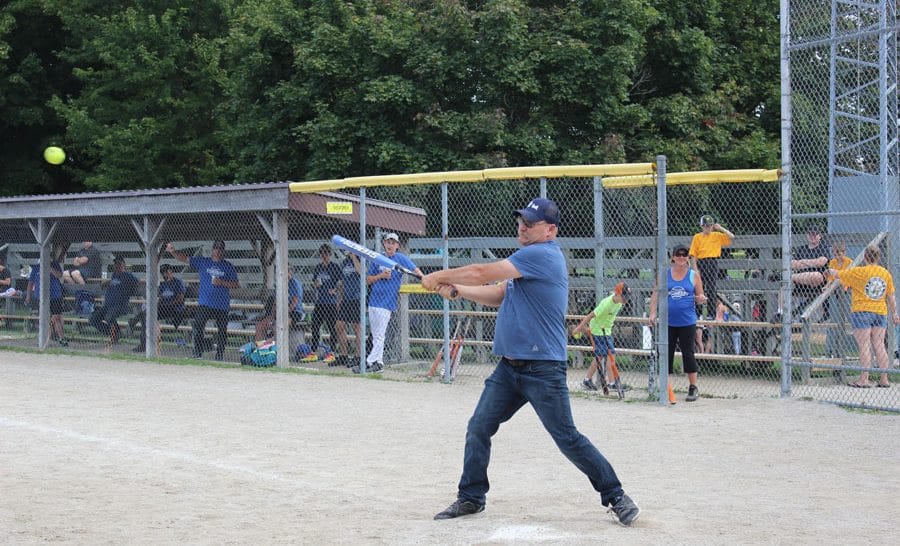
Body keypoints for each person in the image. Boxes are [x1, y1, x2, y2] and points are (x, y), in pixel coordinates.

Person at [421, 197, 640, 526]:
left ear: (550, 230)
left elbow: (481, 272)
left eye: (531, 223)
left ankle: (616, 495)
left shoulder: (542, 255)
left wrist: (438, 275)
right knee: (479, 427)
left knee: (567, 438)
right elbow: (499, 293)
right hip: (509, 369)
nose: (522, 227)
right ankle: (471, 497)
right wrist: (458, 290)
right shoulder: (525, 260)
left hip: (542, 369)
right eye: (521, 221)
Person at [829, 245, 900, 388]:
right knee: (879, 345)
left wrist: (828, 270)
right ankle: (884, 379)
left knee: (864, 345)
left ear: (865, 257)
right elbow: (891, 296)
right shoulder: (885, 273)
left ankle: (864, 379)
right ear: (878, 257)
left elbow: (838, 274)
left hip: (862, 311)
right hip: (880, 312)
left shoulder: (859, 272)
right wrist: (894, 313)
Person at [648, 243, 708, 404]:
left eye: (684, 255)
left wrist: (701, 299)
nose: (681, 257)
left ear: (688, 258)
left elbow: (700, 296)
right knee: (666, 353)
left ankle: (693, 387)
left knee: (688, 353)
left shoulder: (693, 275)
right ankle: (666, 388)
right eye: (678, 255)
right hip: (668, 321)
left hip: (687, 320)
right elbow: (655, 294)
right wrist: (652, 312)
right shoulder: (665, 274)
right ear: (673, 257)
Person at [359, 233, 422, 374]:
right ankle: (379, 363)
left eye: (393, 243)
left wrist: (424, 278)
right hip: (374, 302)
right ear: (384, 243)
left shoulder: (400, 259)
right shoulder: (378, 258)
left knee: (380, 335)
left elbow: (414, 269)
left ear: (397, 246)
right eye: (388, 242)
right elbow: (368, 280)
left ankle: (368, 362)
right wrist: (381, 276)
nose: (390, 245)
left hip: (386, 303)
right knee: (376, 336)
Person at [166, 240, 239, 361]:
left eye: (220, 248)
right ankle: (197, 352)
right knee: (198, 325)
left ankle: (219, 354)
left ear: (223, 251)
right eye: (216, 247)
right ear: (212, 249)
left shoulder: (228, 266)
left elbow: (236, 284)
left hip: (221, 304)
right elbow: (185, 258)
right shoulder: (204, 262)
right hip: (205, 303)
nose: (218, 250)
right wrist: (173, 252)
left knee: (222, 330)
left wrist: (221, 282)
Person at [573, 281, 631, 394]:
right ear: (616, 293)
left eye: (627, 297)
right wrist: (579, 328)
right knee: (608, 355)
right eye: (624, 296)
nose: (625, 299)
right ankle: (611, 383)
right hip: (598, 330)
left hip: (606, 330)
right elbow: (590, 316)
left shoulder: (619, 303)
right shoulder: (606, 304)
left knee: (602, 356)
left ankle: (588, 380)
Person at [776, 225, 831, 318]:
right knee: (785, 283)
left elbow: (821, 262)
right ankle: (780, 312)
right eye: (810, 234)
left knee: (816, 275)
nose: (812, 236)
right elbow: (792, 264)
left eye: (815, 234)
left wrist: (802, 262)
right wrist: (811, 263)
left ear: (820, 236)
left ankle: (788, 277)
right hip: (800, 282)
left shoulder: (823, 248)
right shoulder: (801, 249)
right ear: (807, 235)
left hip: (817, 283)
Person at [131, 263, 186, 352]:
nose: (164, 274)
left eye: (166, 272)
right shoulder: (163, 284)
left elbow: (180, 299)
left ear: (171, 272)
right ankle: (143, 344)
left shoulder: (178, 282)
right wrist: (155, 306)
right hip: (163, 309)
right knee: (146, 315)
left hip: (175, 309)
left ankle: (133, 322)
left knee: (147, 314)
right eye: (163, 273)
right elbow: (160, 299)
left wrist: (167, 304)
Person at [89, 255, 140, 348]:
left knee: (108, 318)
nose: (117, 265)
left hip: (119, 306)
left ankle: (114, 335)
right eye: (116, 264)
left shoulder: (128, 276)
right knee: (93, 319)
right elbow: (111, 282)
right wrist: (107, 282)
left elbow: (138, 282)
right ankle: (115, 334)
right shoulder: (114, 275)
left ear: (123, 265)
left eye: (119, 263)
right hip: (108, 306)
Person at [689, 215, 733, 318]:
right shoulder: (697, 237)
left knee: (712, 288)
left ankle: (711, 314)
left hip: (712, 262)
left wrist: (720, 228)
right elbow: (693, 255)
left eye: (709, 225)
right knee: (699, 288)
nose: (708, 228)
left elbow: (731, 236)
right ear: (701, 226)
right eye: (705, 226)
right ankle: (698, 313)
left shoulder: (717, 235)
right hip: (701, 263)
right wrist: (695, 269)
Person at [305, 244, 341, 363]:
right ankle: (313, 352)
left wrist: (335, 290)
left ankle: (332, 352)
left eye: (326, 253)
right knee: (315, 326)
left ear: (330, 254)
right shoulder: (318, 267)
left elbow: (341, 282)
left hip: (331, 302)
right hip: (320, 302)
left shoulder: (334, 267)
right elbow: (315, 281)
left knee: (332, 327)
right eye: (322, 253)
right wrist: (316, 284)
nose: (324, 255)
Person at [255, 267, 303, 342]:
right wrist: (272, 316)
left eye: (286, 272)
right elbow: (275, 302)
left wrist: (284, 314)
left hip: (294, 312)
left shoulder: (294, 283)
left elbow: (294, 302)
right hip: (280, 313)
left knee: (278, 326)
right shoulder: (280, 283)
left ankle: (275, 344)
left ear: (290, 273)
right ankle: (260, 347)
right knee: (259, 326)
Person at [25, 260, 67, 346]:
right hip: (41, 296)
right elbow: (31, 282)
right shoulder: (36, 267)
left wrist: (50, 268)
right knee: (44, 318)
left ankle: (61, 338)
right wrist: (28, 295)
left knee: (56, 317)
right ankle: (44, 339)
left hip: (55, 296)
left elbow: (59, 275)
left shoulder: (54, 264)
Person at [825, 240, 853, 360]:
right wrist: (827, 285)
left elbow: (848, 277)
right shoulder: (832, 262)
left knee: (847, 321)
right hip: (835, 292)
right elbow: (831, 277)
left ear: (844, 252)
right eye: (835, 254)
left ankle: (842, 351)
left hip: (846, 292)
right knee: (834, 321)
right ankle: (830, 351)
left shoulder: (849, 262)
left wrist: (840, 280)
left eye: (839, 254)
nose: (837, 257)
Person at [335, 252, 362, 367]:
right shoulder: (344, 262)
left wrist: (354, 256)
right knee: (339, 326)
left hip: (357, 298)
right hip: (346, 298)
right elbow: (342, 282)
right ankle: (343, 355)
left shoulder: (360, 259)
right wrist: (340, 298)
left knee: (357, 328)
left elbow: (361, 272)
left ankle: (358, 356)